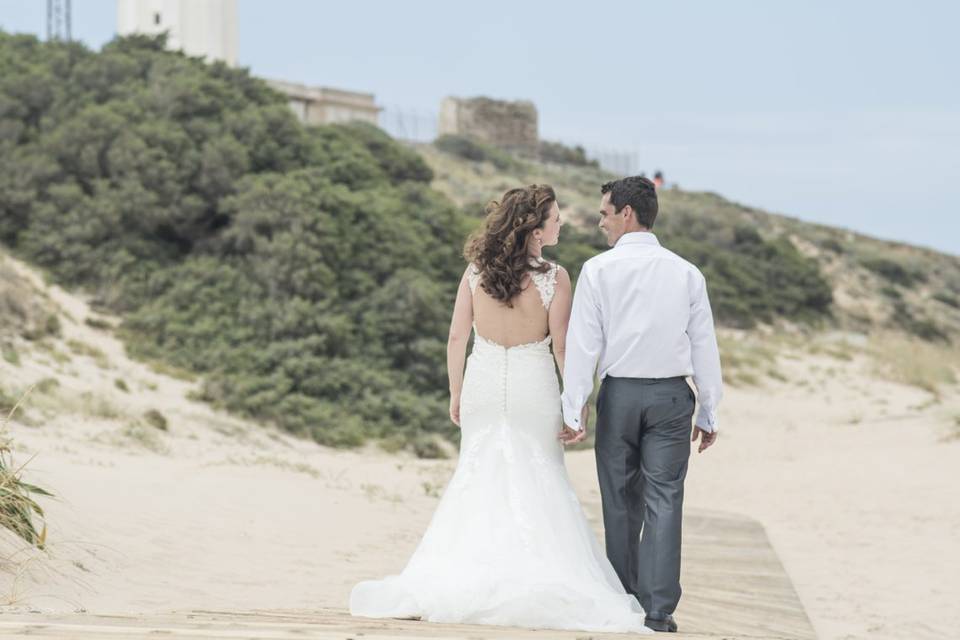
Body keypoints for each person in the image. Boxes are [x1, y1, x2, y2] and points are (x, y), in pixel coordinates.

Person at [349, 185, 652, 633]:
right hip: (533, 387)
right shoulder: (556, 277)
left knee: (478, 473)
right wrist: (577, 405)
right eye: (554, 217)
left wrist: (456, 391)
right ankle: (534, 576)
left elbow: (457, 338)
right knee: (540, 476)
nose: (561, 223)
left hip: (484, 385)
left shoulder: (476, 273)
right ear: (534, 228)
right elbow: (563, 347)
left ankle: (466, 576)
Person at [559, 175, 723, 633]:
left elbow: (584, 345)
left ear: (627, 213)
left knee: (619, 500)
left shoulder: (598, 270)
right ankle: (658, 612)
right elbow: (704, 346)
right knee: (665, 500)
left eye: (604, 214)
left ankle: (623, 599)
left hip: (622, 397)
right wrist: (710, 411)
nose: (601, 224)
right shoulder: (687, 272)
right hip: (672, 398)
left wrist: (574, 407)